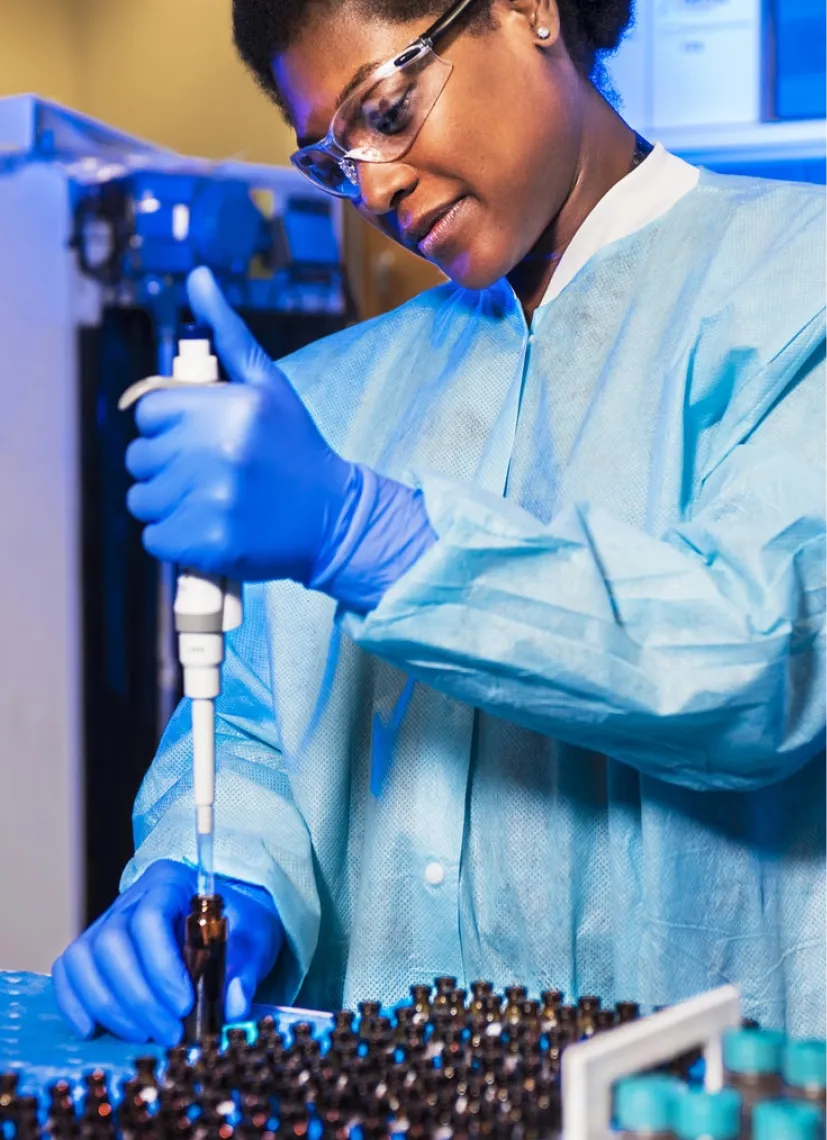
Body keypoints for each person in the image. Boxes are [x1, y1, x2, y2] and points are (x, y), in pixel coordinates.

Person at [53, 0, 825, 1047]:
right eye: (330, 159)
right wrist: (218, 874)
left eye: (386, 110)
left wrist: (370, 538)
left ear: (530, 11)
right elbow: (252, 731)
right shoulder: (330, 395)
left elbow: (760, 658)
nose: (371, 187)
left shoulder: (795, 288)